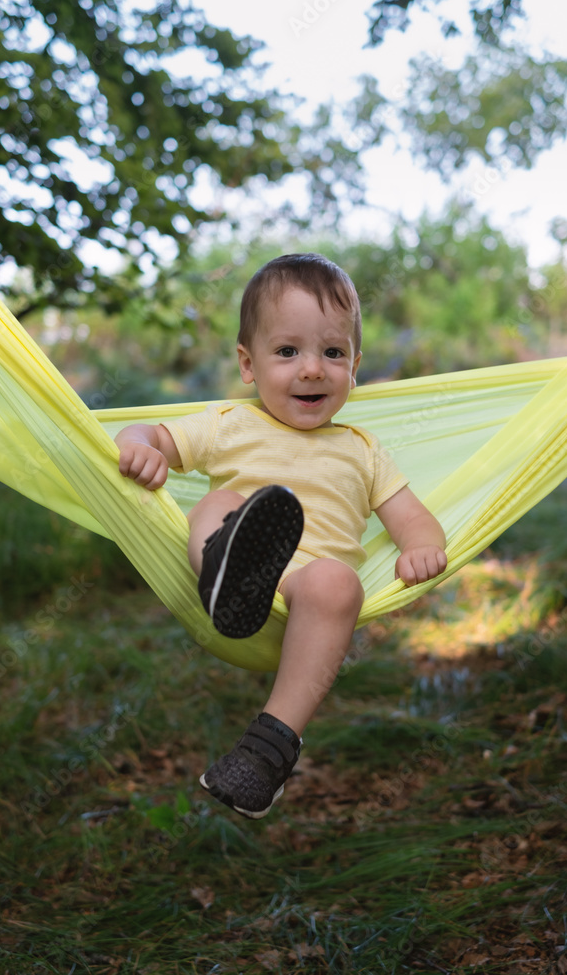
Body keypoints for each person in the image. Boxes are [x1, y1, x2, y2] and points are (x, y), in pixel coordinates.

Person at [115, 253, 447, 819]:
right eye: (288, 351)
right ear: (248, 364)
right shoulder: (229, 424)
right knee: (221, 502)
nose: (313, 369)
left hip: (305, 593)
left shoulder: (362, 450)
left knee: (338, 582)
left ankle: (268, 752)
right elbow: (150, 433)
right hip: (232, 580)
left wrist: (421, 546)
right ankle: (228, 573)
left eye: (333, 353)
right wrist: (140, 445)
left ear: (355, 367)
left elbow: (413, 517)